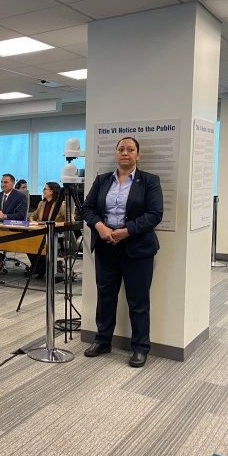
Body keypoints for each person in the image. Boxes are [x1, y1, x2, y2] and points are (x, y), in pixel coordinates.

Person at [81, 137, 163, 368]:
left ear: (138, 155)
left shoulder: (149, 181)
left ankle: (140, 347)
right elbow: (88, 208)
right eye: (121, 149)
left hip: (137, 248)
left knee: (138, 300)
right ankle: (102, 340)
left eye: (130, 149)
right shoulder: (102, 180)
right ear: (116, 154)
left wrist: (127, 231)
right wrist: (100, 227)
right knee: (105, 296)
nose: (125, 152)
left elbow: (154, 214)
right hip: (107, 246)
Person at [26, 182, 66, 278]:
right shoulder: (42, 203)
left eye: (45, 189)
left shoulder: (60, 204)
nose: (42, 191)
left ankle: (50, 268)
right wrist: (33, 222)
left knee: (40, 245)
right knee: (28, 243)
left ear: (52, 191)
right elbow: (32, 216)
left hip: (54, 233)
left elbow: (70, 220)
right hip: (41, 231)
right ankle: (41, 268)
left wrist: (54, 224)